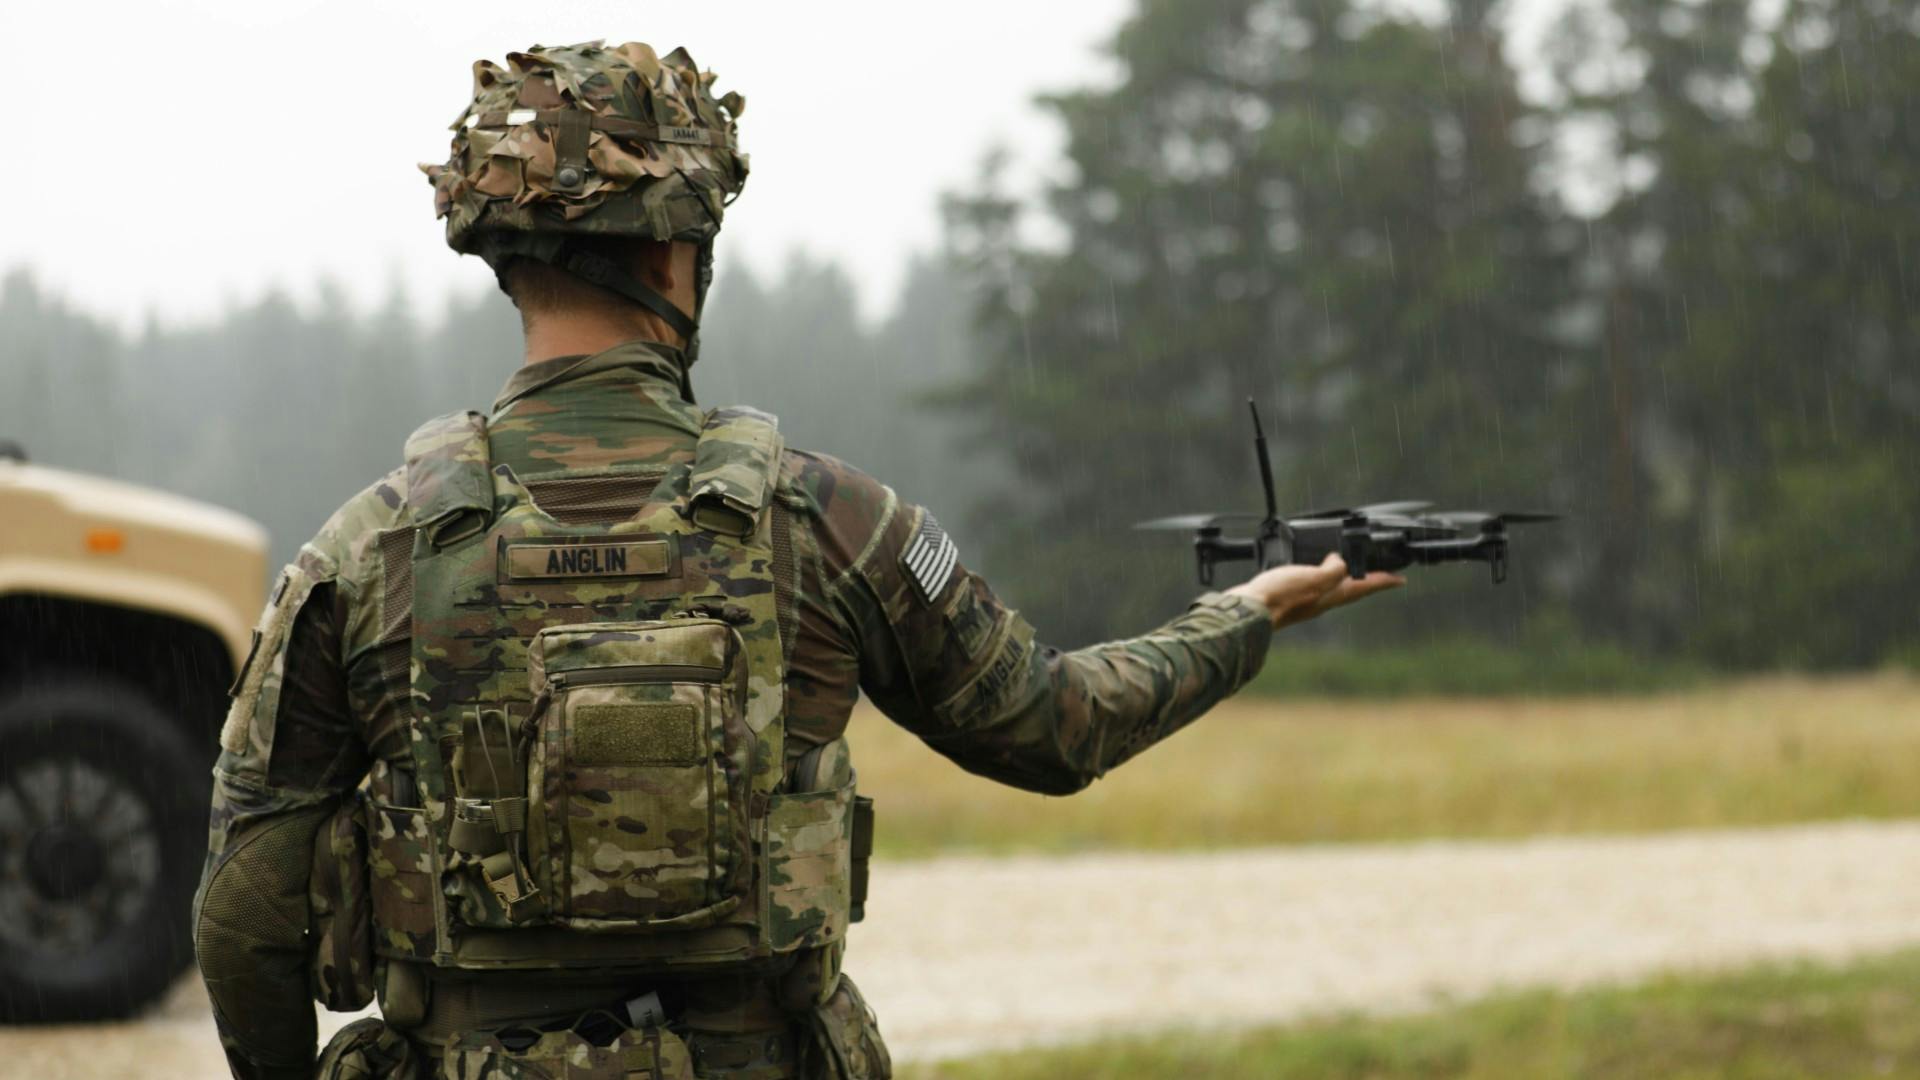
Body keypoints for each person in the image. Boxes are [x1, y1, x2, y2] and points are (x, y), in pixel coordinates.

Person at [191, 40, 1402, 1080]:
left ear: (510, 263)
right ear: (679, 259)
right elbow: (1054, 725)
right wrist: (1244, 613)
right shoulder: (827, 519)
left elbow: (243, 912)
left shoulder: (369, 549)